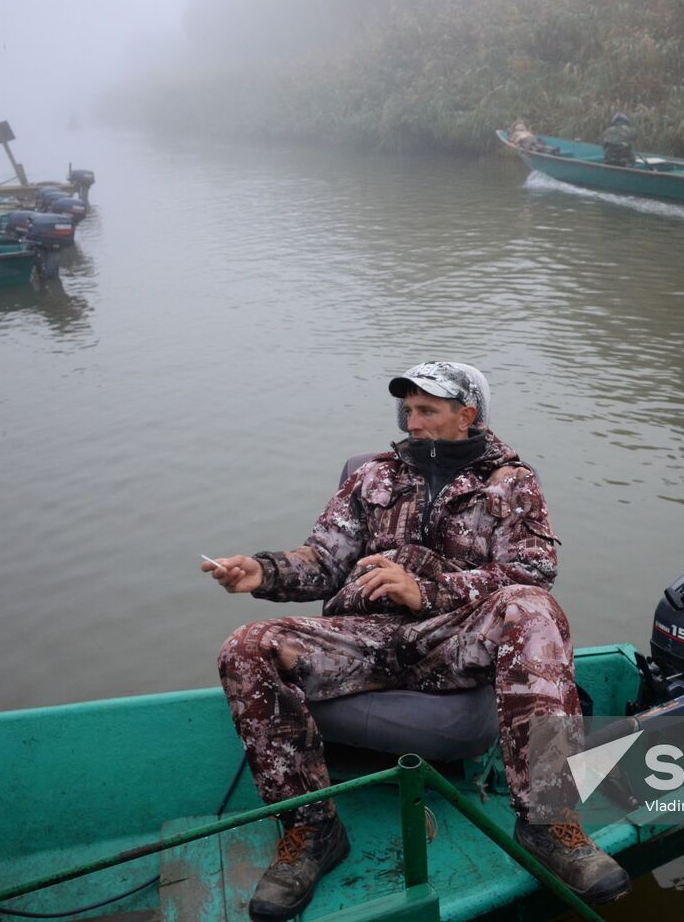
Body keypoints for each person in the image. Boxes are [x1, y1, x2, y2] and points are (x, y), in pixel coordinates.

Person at [209, 361, 630, 921]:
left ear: (467, 415)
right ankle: (310, 830)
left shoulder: (512, 483)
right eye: (408, 410)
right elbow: (324, 560)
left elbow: (531, 571)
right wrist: (265, 572)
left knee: (534, 610)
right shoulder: (373, 477)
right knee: (246, 645)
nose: (414, 422)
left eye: (427, 410)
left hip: (453, 638)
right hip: (368, 637)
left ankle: (549, 824)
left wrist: (428, 592)